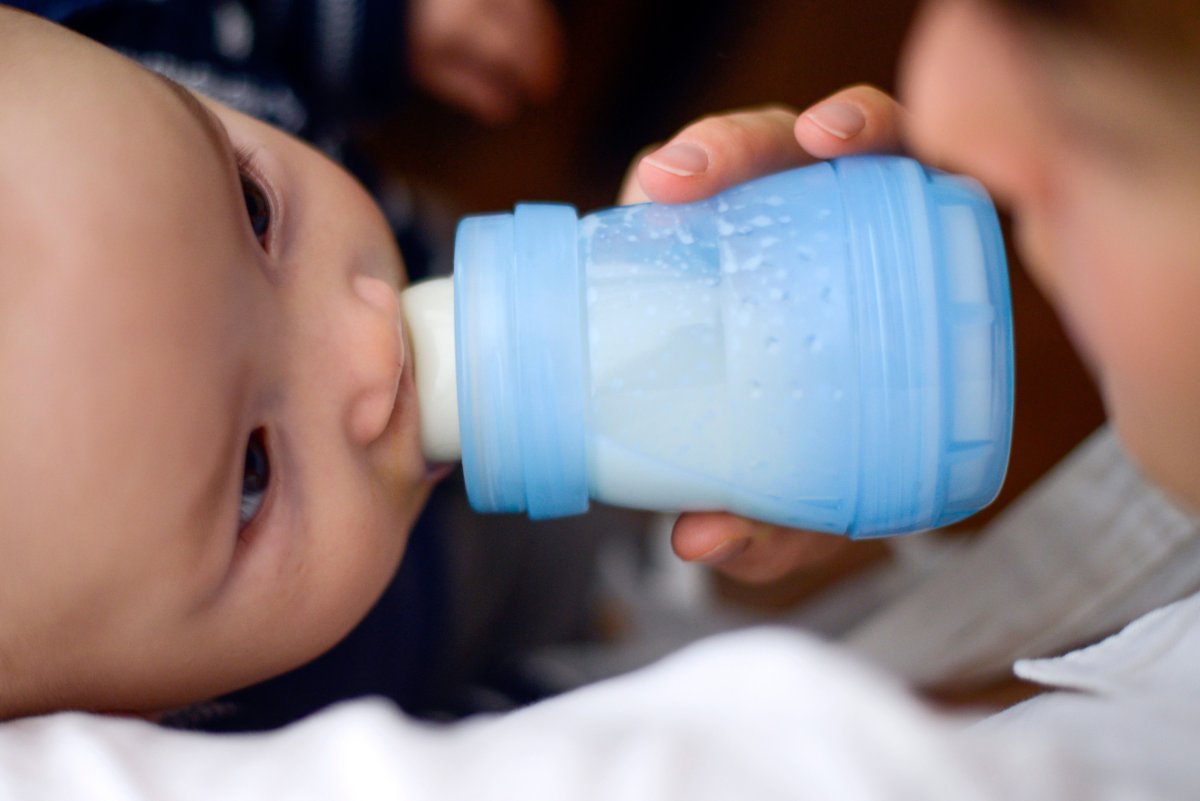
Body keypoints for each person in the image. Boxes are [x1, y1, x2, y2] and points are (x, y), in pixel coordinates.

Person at [3, 0, 1200, 798]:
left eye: (257, 213)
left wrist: (374, 24)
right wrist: (660, 644)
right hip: (462, 635)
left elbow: (198, 18)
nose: (374, 341)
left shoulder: (91, 86)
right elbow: (534, 741)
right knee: (629, 562)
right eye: (253, 471)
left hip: (519, 356)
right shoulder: (259, 753)